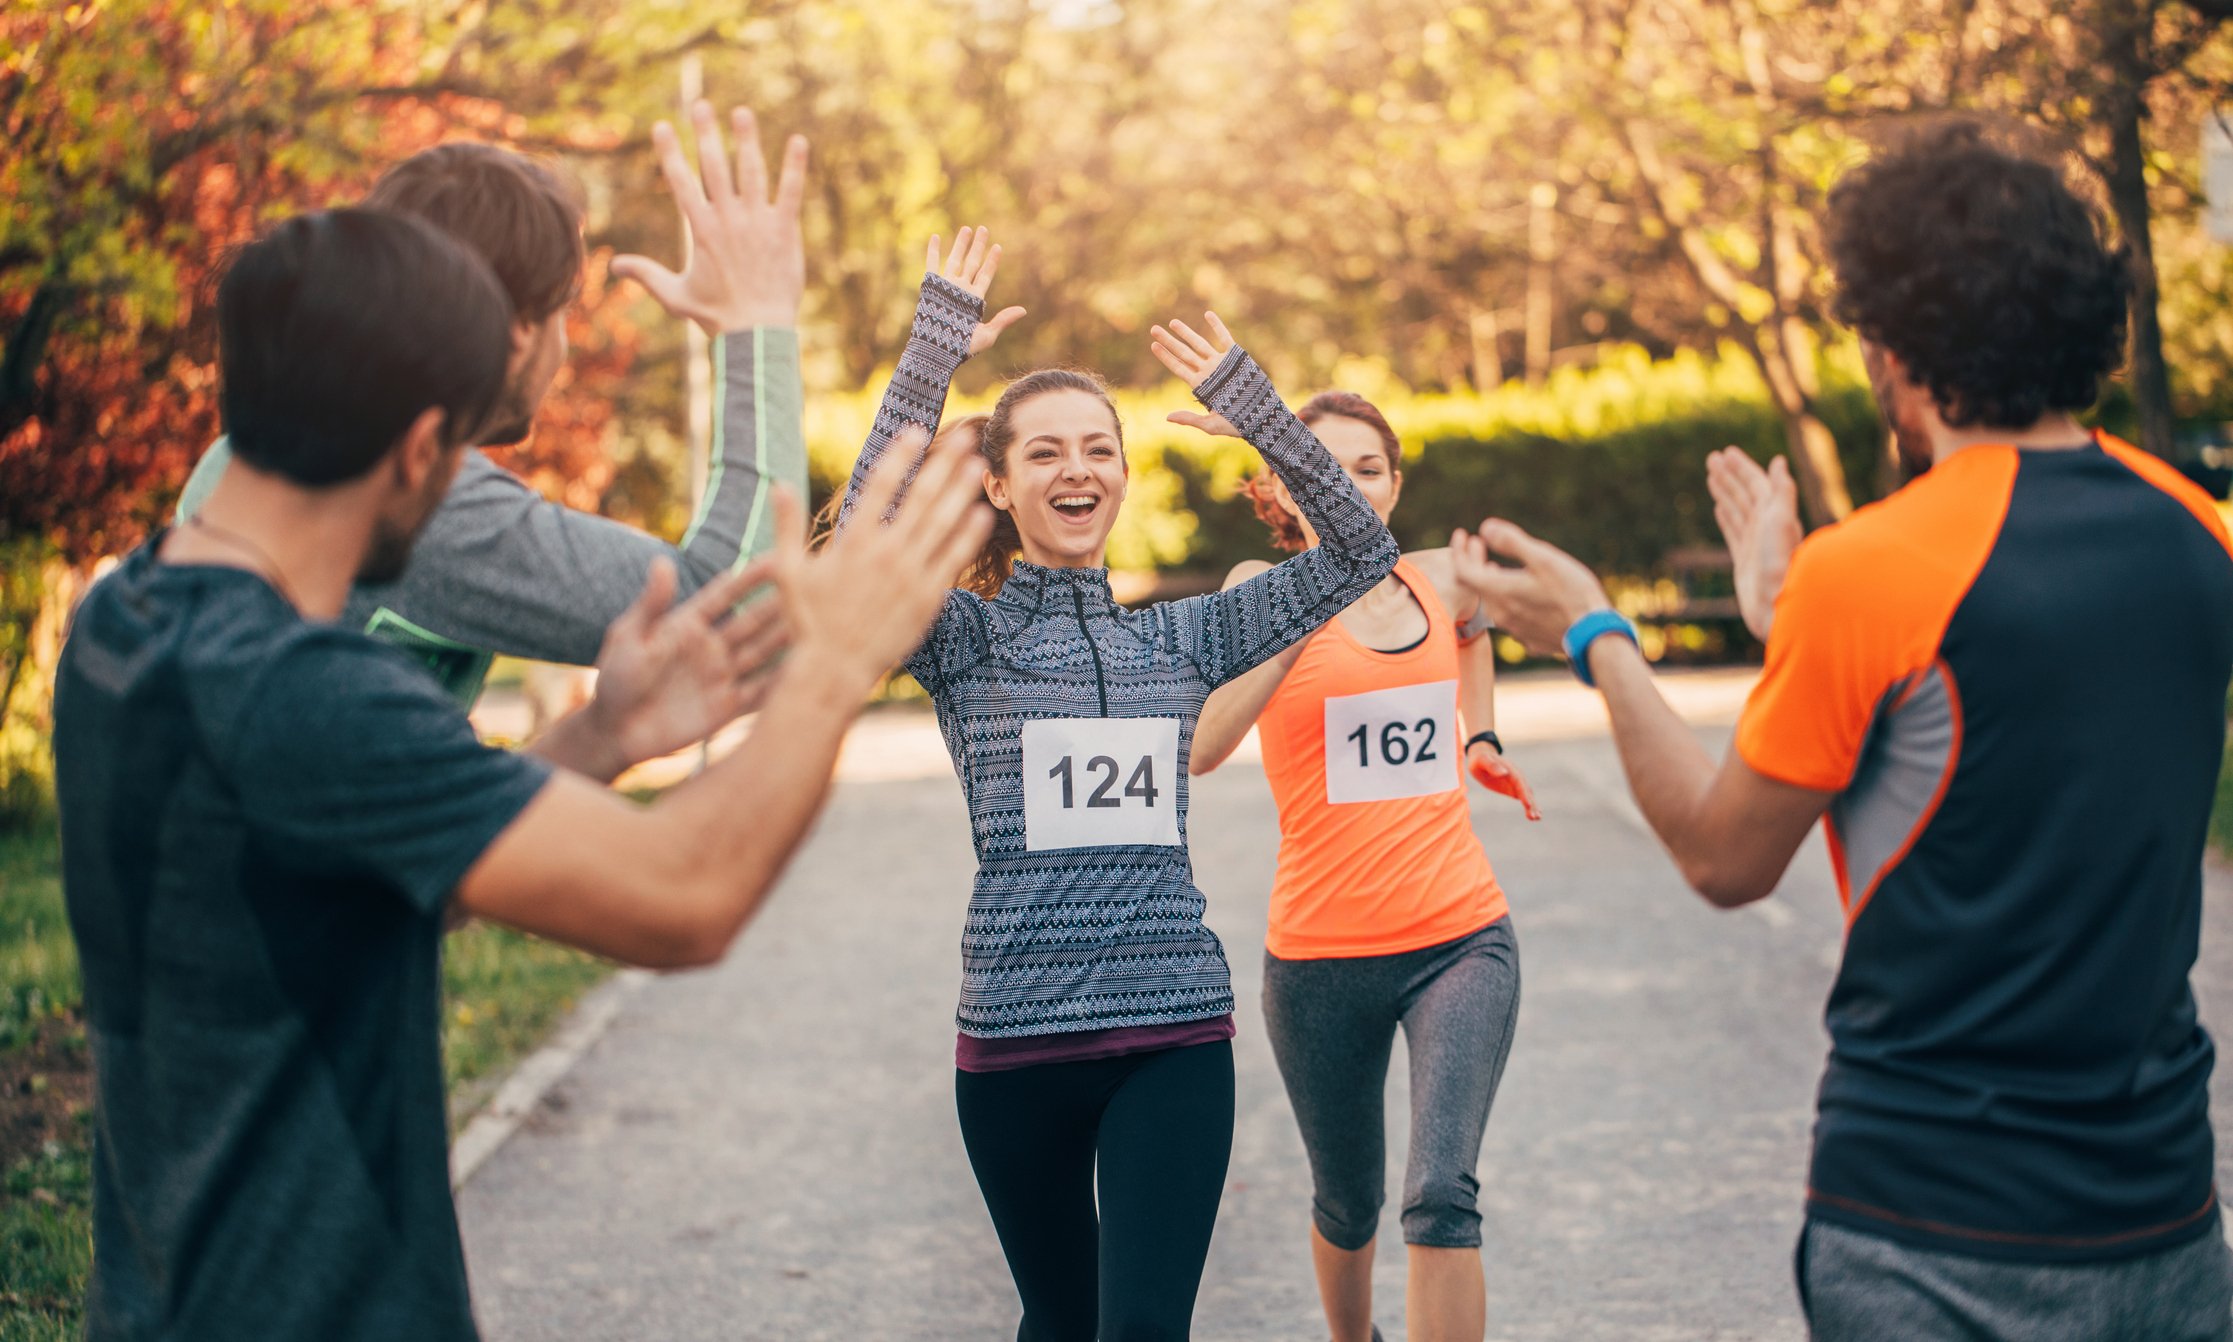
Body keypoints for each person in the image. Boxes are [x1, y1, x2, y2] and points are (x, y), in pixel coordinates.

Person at [51, 133, 992, 1342]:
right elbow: (683, 895)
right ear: (419, 453)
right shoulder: (304, 696)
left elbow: (356, 890)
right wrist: (837, 666)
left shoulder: (124, 626)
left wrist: (602, 732)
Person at [1449, 121, 2233, 1341]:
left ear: (1896, 345)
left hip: (1929, 1226)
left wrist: (1595, 634)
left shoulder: (1871, 568)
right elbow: (2012, 723)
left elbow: (1723, 856)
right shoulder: (2196, 532)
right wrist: (1793, 625)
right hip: (2163, 1224)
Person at [831, 232, 1399, 1339]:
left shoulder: (1183, 639)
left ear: (1125, 478)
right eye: (1044, 453)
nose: (1077, 470)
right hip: (1015, 1038)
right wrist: (932, 349)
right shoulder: (966, 642)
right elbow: (864, 548)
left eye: (1099, 449)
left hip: (1173, 1035)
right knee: (1058, 1322)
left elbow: (1358, 550)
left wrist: (1256, 411)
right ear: (998, 484)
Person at [177, 100, 808, 705]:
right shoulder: (418, 501)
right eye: (564, 310)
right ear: (519, 330)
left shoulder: (259, 451)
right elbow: (736, 619)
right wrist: (755, 325)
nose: (564, 347)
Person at [1180, 389, 1531, 1342]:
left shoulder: (1434, 578)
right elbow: (1204, 746)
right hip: (1318, 960)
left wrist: (1480, 734)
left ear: (1394, 485)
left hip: (1460, 939)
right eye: (1321, 468)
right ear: (1282, 490)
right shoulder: (1256, 585)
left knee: (1441, 1196)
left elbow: (1471, 629)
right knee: (1347, 1201)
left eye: (1367, 468)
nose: (1347, 485)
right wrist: (1305, 608)